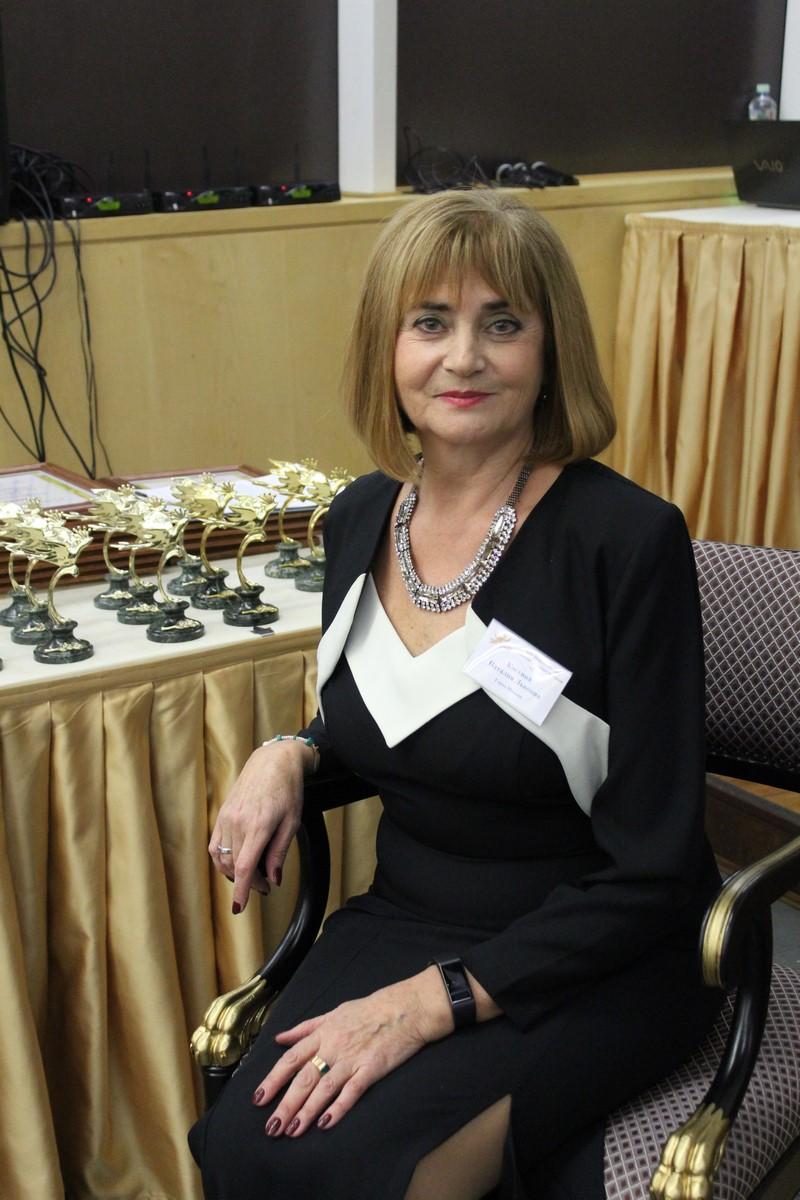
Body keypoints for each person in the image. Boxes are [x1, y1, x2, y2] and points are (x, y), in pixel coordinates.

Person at [189, 190, 723, 1199]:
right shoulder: (357, 520)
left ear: (550, 350)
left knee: (372, 1173)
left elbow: (656, 869)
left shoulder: (625, 541)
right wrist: (289, 752)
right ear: (386, 349)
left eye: (502, 324)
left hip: (592, 951)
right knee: (247, 1149)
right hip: (404, 917)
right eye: (430, 323)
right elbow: (400, 722)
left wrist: (429, 1006)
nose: (463, 358)